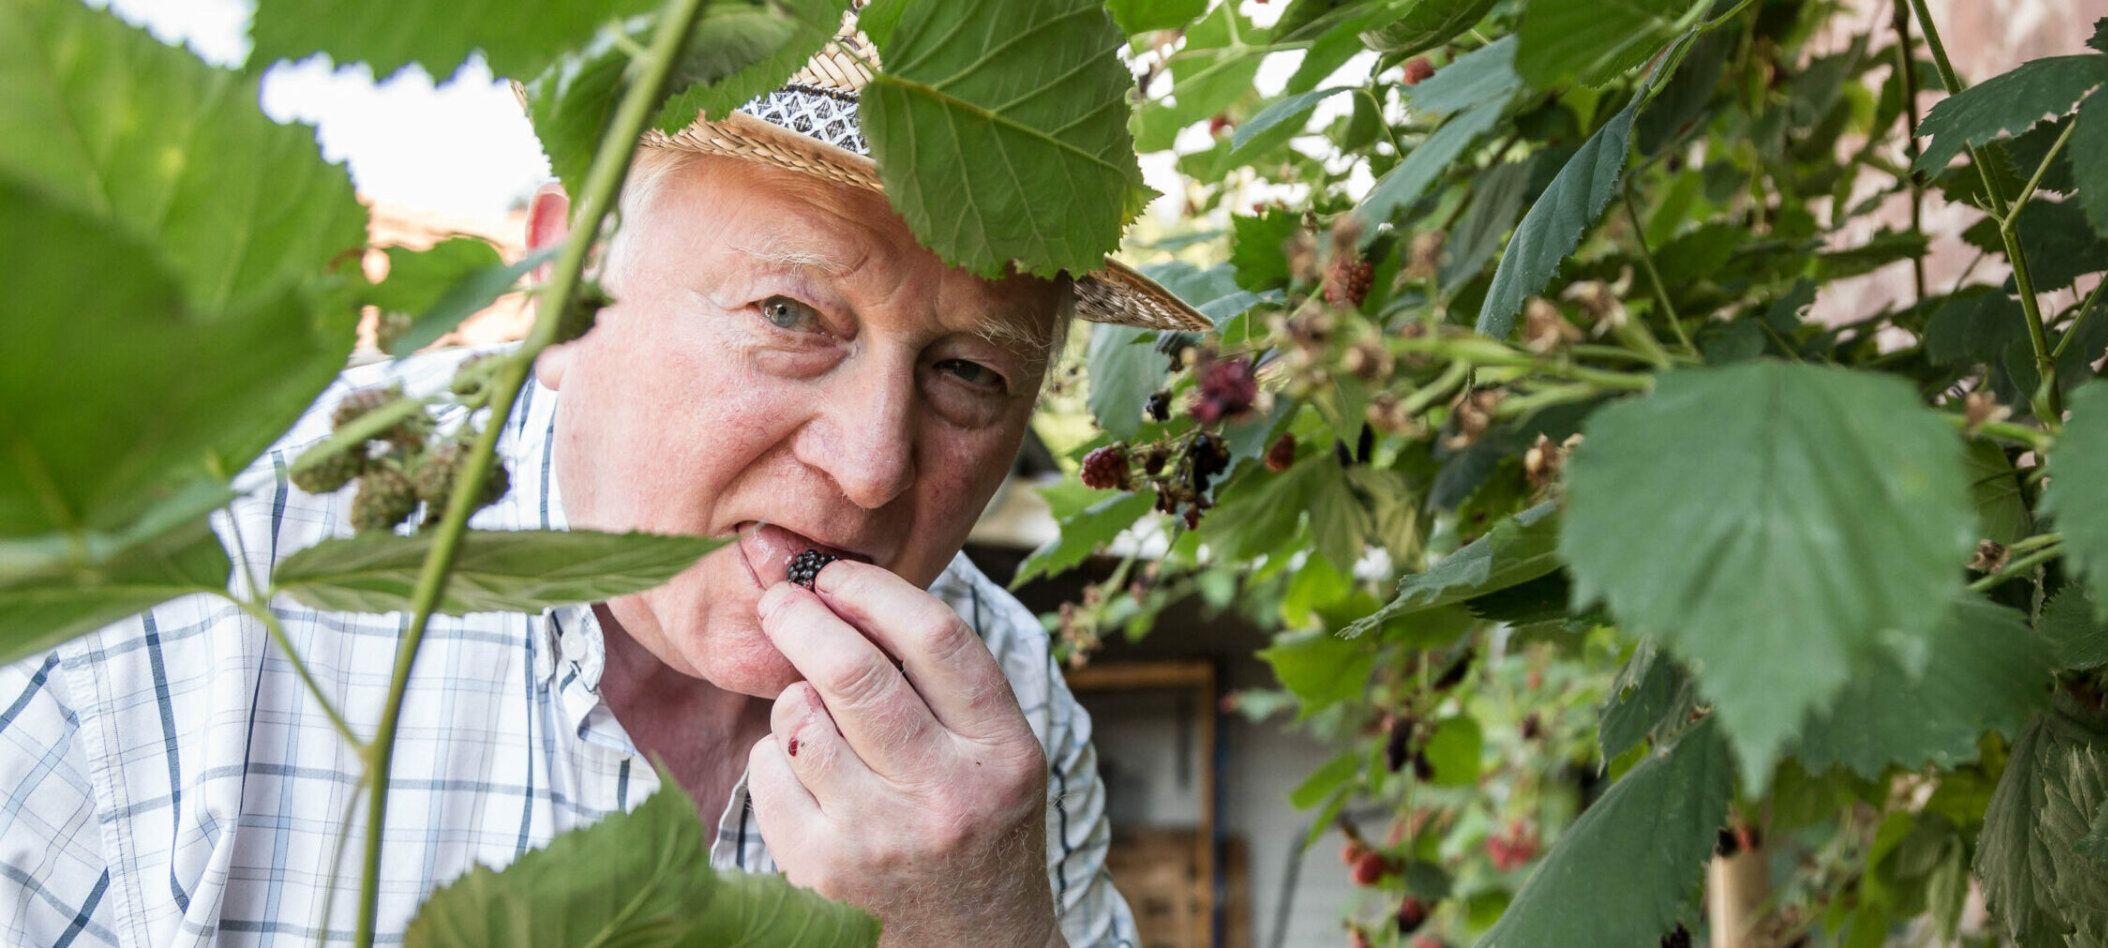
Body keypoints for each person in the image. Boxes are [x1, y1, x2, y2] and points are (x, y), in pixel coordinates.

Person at [0, 40, 1208, 947]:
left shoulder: (999, 727)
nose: (872, 466)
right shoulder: (180, 593)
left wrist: (980, 929)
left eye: (969, 373)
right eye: (790, 314)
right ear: (569, 287)